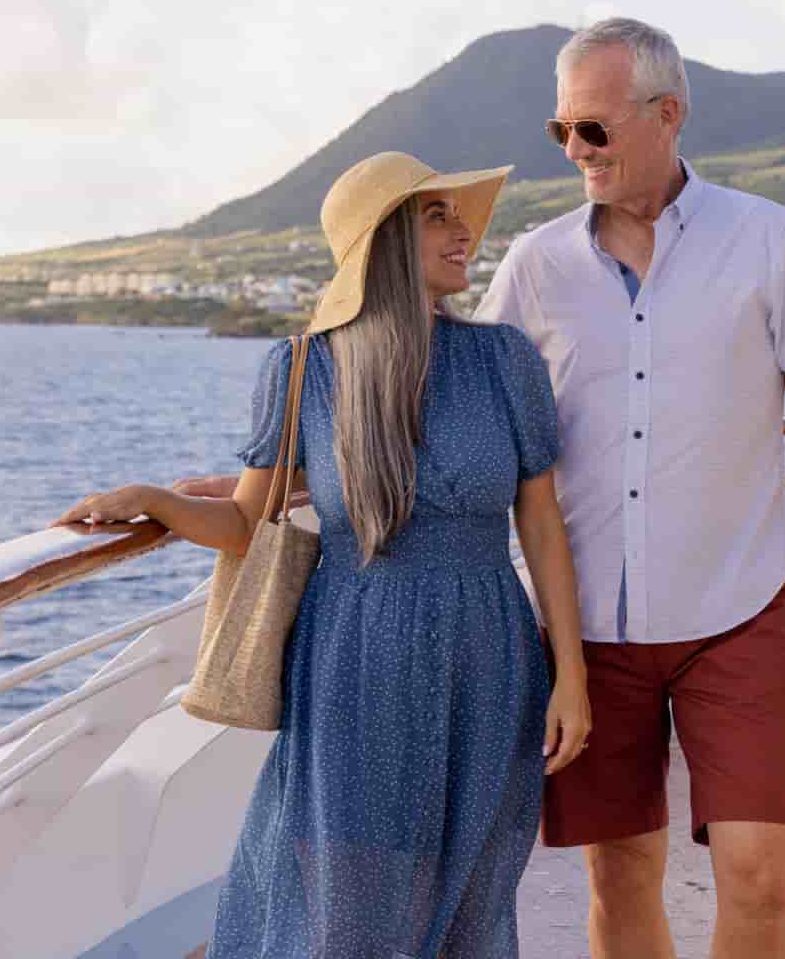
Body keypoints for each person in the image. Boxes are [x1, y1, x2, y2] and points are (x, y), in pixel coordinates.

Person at [53, 151, 591, 958]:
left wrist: (571, 676)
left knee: (475, 894)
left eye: (457, 214)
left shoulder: (505, 361)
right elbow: (246, 524)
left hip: (491, 655)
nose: (463, 233)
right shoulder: (305, 367)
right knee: (352, 900)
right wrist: (157, 503)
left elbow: (542, 525)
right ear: (383, 243)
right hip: (354, 660)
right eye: (435, 216)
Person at [473, 18, 785, 959]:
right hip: (588, 641)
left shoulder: (767, 238)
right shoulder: (537, 266)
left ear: (668, 115)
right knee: (620, 876)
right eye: (562, 132)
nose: (576, 151)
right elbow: (457, 408)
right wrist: (278, 472)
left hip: (737, 618)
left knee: (760, 878)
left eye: (595, 129)